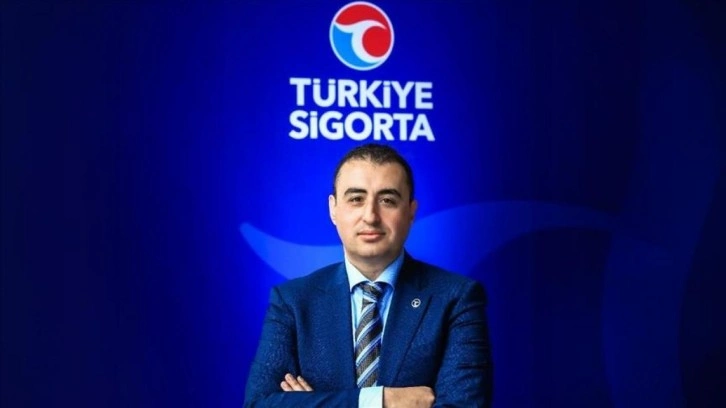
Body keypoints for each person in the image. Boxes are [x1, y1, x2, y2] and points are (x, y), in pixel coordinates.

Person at [244, 144, 492, 407]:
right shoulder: (292, 301)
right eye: (356, 199)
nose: (371, 216)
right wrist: (380, 400)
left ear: (411, 211)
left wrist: (311, 403)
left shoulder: (456, 298)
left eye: (387, 200)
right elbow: (258, 404)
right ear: (333, 209)